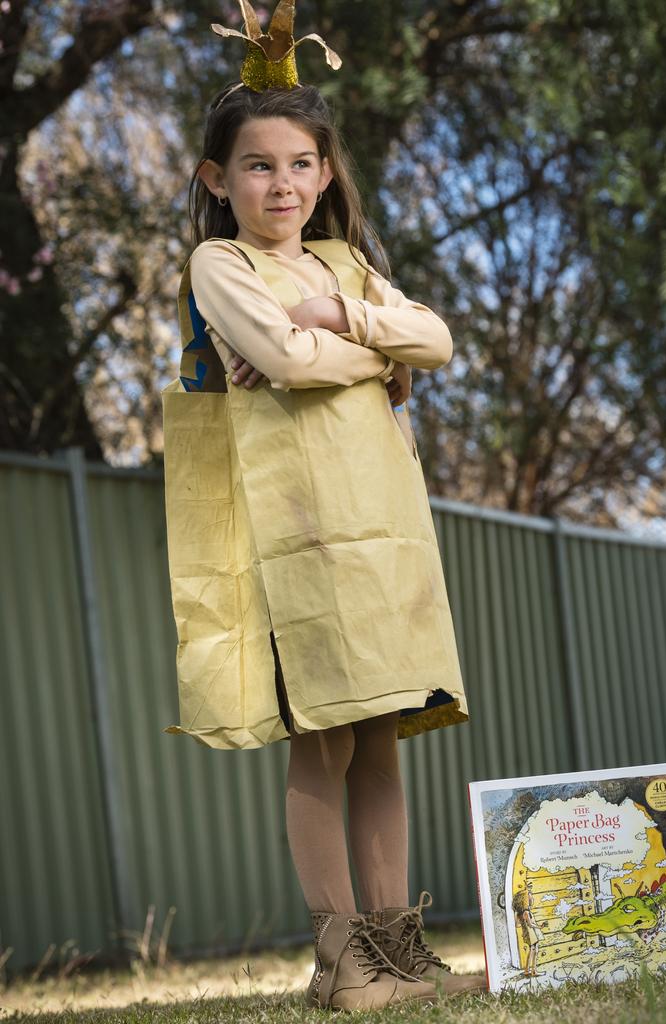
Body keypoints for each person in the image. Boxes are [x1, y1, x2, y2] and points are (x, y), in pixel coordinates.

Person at [160, 0, 484, 1013]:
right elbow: (284, 360)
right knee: (325, 739)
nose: (283, 184)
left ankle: (398, 944)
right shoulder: (221, 264)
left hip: (381, 526)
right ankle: (341, 959)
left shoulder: (344, 266)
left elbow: (433, 341)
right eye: (259, 165)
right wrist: (366, 356)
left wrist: (346, 317)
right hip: (296, 532)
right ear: (220, 179)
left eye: (301, 163)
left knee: (384, 729)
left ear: (327, 172)